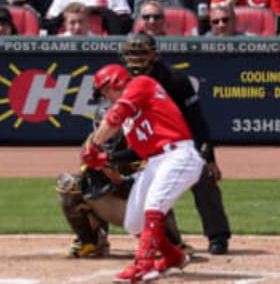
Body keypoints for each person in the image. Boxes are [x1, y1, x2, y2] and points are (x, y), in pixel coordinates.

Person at [82, 64, 204, 282]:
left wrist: (94, 146)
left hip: (178, 154)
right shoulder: (131, 121)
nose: (106, 96)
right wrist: (106, 159)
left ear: (116, 81)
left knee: (153, 207)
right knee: (134, 222)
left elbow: (114, 116)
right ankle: (172, 256)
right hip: (157, 160)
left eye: (105, 90)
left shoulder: (141, 84)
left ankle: (144, 266)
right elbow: (138, 151)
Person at [120, 32, 232, 254]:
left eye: (142, 53)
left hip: (179, 144)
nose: (137, 59)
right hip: (142, 143)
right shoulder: (122, 81)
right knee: (100, 174)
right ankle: (94, 238)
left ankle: (217, 236)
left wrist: (208, 158)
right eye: (132, 54)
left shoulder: (175, 80)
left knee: (203, 178)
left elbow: (197, 121)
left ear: (154, 55)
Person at [56, 101, 192, 258]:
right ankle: (91, 241)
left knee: (156, 191)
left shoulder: (139, 140)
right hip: (110, 202)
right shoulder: (91, 145)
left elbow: (154, 179)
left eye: (112, 127)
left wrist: (120, 180)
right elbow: (90, 185)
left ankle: (173, 244)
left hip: (138, 201)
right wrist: (103, 176)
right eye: (103, 126)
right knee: (69, 185)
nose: (108, 132)